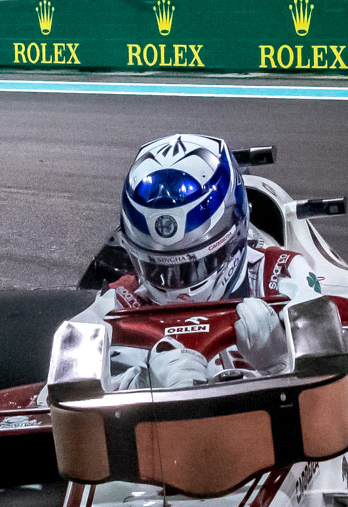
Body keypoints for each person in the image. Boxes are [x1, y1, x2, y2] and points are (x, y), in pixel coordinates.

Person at [68, 133, 314, 390]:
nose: (178, 285)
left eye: (193, 266)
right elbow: (51, 398)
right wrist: (137, 386)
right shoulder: (117, 306)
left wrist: (283, 363)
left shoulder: (282, 278)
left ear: (233, 238)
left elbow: (341, 377)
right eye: (157, 268)